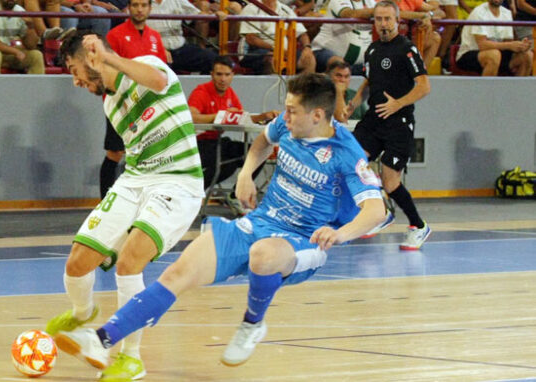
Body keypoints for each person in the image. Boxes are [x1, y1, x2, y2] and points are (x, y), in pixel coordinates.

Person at [51, 73, 386, 371]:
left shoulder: (346, 153)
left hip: (303, 240)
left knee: (263, 255)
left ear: (317, 116)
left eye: (292, 111)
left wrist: (339, 234)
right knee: (178, 273)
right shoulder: (289, 123)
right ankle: (101, 339)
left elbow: (376, 211)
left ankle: (252, 324)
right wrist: (245, 174)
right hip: (261, 221)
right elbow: (262, 141)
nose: (285, 116)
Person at [46, 32, 204, 381]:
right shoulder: (109, 105)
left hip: (178, 182)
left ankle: (130, 358)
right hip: (136, 180)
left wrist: (108, 58)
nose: (75, 81)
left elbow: (159, 81)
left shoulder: (147, 66)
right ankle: (83, 313)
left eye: (75, 70)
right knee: (77, 261)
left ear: (92, 60)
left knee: (130, 263)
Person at [351, 0, 431, 249]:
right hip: (373, 120)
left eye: (388, 19)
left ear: (397, 21)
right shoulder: (372, 50)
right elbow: (368, 81)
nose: (383, 24)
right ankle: (382, 213)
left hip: (398, 122)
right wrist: (353, 102)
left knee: (390, 182)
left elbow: (424, 86)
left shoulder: (407, 49)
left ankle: (418, 226)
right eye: (378, 19)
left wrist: (398, 104)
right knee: (353, 162)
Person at [188, 55, 278, 214]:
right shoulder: (201, 91)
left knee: (256, 153)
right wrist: (220, 115)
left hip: (219, 141)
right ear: (212, 75)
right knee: (225, 163)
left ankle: (236, 194)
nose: (223, 79)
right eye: (219, 74)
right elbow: (192, 117)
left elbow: (242, 117)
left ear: (232, 76)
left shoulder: (230, 93)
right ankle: (192, 195)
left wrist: (264, 116)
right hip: (198, 144)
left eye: (227, 74)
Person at [99, 0, 167, 198]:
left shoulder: (155, 37)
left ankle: (143, 201)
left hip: (147, 106)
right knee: (115, 153)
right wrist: (113, 102)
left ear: (150, 8)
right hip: (121, 104)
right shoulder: (115, 35)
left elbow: (162, 73)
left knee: (147, 154)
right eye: (135, 5)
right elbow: (107, 71)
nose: (139, 9)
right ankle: (104, 202)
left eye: (144, 5)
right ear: (129, 7)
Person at [455, 0, 533, 76]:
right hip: (469, 54)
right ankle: (488, 89)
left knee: (528, 55)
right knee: (494, 55)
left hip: (497, 54)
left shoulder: (507, 13)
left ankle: (517, 88)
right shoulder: (479, 12)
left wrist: (520, 46)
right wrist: (510, 45)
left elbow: (508, 42)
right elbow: (482, 45)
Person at [238, 0, 316, 74]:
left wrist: (307, 47)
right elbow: (251, 39)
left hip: (284, 51)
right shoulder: (251, 8)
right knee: (272, 58)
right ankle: (273, 87)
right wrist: (277, 49)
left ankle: (300, 87)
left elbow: (302, 34)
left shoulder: (285, 9)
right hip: (253, 51)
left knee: (309, 60)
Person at [146, 0, 218, 74]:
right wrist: (160, 48)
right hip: (154, 50)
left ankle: (203, 85)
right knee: (163, 69)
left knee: (212, 59)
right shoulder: (142, 3)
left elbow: (197, 14)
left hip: (180, 49)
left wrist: (216, 15)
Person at [310, 0, 376, 74]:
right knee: (339, 65)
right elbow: (348, 14)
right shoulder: (337, 1)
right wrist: (379, 11)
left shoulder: (371, 3)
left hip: (358, 65)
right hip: (323, 51)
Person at [327, 60, 367, 124]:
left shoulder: (356, 95)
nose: (342, 80)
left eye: (346, 76)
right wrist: (339, 92)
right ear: (329, 77)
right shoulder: (322, 96)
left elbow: (366, 118)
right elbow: (341, 119)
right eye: (338, 76)